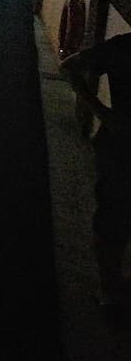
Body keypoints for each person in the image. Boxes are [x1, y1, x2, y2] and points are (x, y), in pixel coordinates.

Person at [60, 32, 131, 314]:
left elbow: (69, 67)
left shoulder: (123, 46)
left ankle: (111, 285)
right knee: (113, 219)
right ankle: (109, 286)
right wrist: (102, 112)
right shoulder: (123, 47)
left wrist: (102, 113)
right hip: (120, 148)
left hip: (118, 144)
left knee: (113, 218)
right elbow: (69, 67)